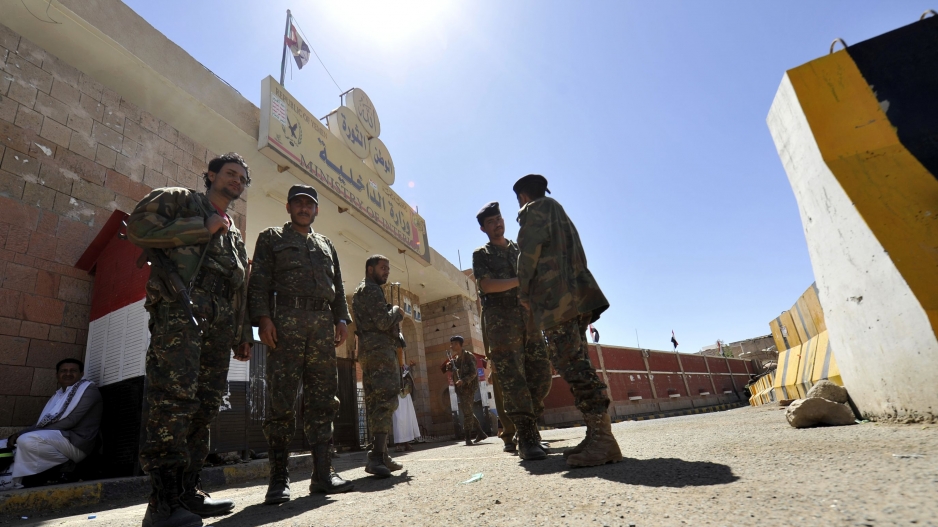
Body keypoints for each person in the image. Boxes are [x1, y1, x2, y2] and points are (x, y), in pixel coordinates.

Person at [127, 153, 253, 526]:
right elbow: (138, 228)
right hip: (181, 312)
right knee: (173, 401)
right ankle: (162, 503)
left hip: (219, 323)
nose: (236, 181)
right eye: (230, 173)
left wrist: (241, 334)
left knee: (206, 405)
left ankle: (187, 492)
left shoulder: (234, 232)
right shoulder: (181, 200)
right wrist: (201, 227)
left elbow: (239, 287)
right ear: (211, 175)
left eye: (242, 178)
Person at [247, 184, 353, 502]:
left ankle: (323, 474)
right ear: (288, 207)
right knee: (281, 398)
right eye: (298, 203)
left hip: (321, 326)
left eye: (309, 204)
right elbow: (258, 282)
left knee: (324, 399)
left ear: (316, 210)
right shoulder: (272, 238)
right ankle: (278, 479)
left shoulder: (326, 245)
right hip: (286, 324)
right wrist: (263, 319)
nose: (304, 208)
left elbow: (337, 285)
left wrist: (342, 319)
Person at [513, 174, 623, 468]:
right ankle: (596, 434)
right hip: (578, 298)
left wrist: (524, 293)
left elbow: (528, 255)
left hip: (556, 302)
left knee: (572, 365)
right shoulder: (559, 212)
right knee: (578, 361)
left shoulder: (533, 210)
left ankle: (603, 440)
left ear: (523, 197)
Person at [472, 201, 553, 460]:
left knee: (541, 375)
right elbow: (486, 285)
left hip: (529, 320)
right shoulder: (481, 254)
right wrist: (520, 281)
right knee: (513, 380)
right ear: (484, 228)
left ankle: (526, 430)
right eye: (491, 222)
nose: (497, 224)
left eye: (499, 219)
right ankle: (527, 437)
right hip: (502, 325)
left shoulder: (519, 249)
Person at [0, 359, 102, 490]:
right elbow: (41, 423)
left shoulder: (88, 390)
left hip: (76, 443)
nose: (68, 374)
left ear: (81, 374)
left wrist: (24, 435)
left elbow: (71, 421)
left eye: (73, 371)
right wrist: (18, 434)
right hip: (55, 439)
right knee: (3, 444)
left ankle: (62, 467)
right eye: (64, 371)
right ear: (57, 375)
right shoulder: (58, 395)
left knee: (27, 440)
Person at [351, 255, 405, 478]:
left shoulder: (361, 290)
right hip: (380, 352)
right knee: (386, 400)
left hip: (370, 351)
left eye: (388, 268)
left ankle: (381, 455)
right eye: (383, 268)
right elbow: (383, 322)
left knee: (375, 403)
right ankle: (376, 457)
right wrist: (397, 311)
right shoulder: (371, 290)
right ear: (370, 269)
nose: (387, 272)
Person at [445, 336, 487, 446]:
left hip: (468, 388)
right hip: (460, 389)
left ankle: (467, 437)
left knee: (467, 413)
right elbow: (455, 371)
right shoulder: (456, 358)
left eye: (454, 344)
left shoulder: (468, 356)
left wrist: (463, 381)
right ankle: (480, 433)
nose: (451, 346)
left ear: (459, 344)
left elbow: (473, 373)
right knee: (467, 411)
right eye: (451, 344)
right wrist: (449, 367)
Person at [392, 362, 421, 452]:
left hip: (406, 396)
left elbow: (412, 379)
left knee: (408, 419)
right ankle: (398, 444)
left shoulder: (406, 368)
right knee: (398, 420)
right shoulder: (391, 367)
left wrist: (412, 368)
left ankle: (407, 443)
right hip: (397, 396)